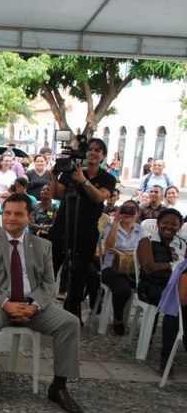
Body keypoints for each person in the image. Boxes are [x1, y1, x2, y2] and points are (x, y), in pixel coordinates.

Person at [0, 193, 83, 413]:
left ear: (29, 217)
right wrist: (6, 303)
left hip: (33, 305)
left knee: (70, 323)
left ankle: (59, 386)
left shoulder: (42, 245)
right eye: (7, 213)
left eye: (18, 214)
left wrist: (35, 305)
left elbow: (49, 283)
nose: (11, 218)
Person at [48, 138, 115, 320]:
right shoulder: (71, 171)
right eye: (90, 149)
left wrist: (84, 182)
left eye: (98, 150)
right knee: (50, 268)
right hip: (63, 227)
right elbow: (56, 194)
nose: (93, 152)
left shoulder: (108, 178)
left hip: (85, 232)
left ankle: (72, 313)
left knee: (78, 275)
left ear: (103, 156)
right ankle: (43, 308)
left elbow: (100, 197)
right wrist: (54, 178)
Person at [100, 200, 144, 335]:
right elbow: (109, 246)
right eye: (125, 209)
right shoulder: (111, 226)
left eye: (132, 210)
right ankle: (118, 317)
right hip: (111, 268)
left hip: (132, 269)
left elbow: (142, 250)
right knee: (123, 289)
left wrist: (126, 253)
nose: (128, 213)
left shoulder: (139, 229)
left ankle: (149, 329)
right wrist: (115, 222)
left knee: (146, 287)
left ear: (138, 214)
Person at [136, 208, 186, 308]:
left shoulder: (183, 244)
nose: (169, 227)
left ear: (179, 227)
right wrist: (178, 267)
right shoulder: (147, 241)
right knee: (179, 300)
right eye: (165, 222)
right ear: (158, 224)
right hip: (152, 286)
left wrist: (166, 265)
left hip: (176, 286)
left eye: (174, 224)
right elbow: (150, 270)